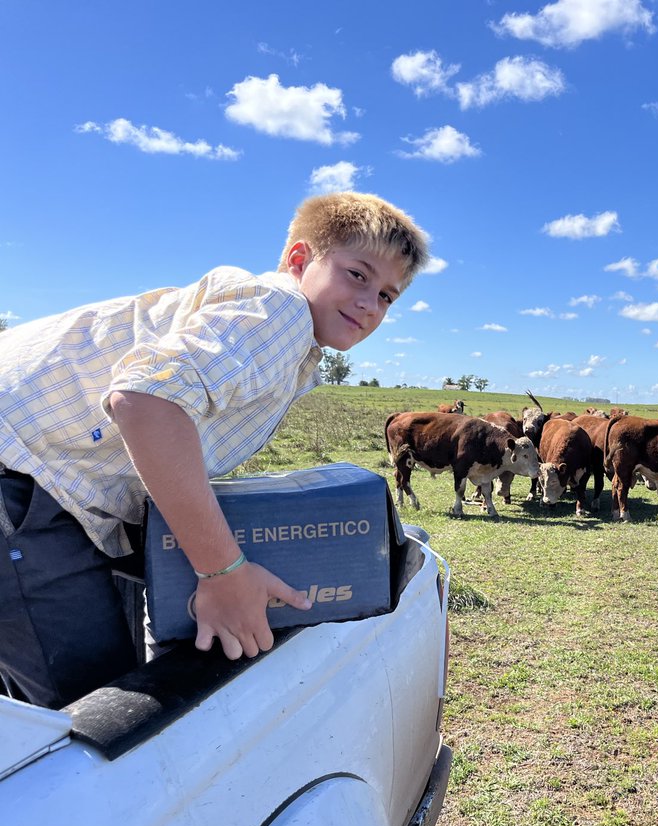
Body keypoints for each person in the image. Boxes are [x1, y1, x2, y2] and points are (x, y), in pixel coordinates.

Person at [0, 192, 429, 708]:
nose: (370, 303)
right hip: (24, 490)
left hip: (45, 489)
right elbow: (144, 400)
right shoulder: (281, 311)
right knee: (96, 726)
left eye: (387, 295)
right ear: (300, 259)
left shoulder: (283, 337)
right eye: (358, 275)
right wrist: (222, 571)